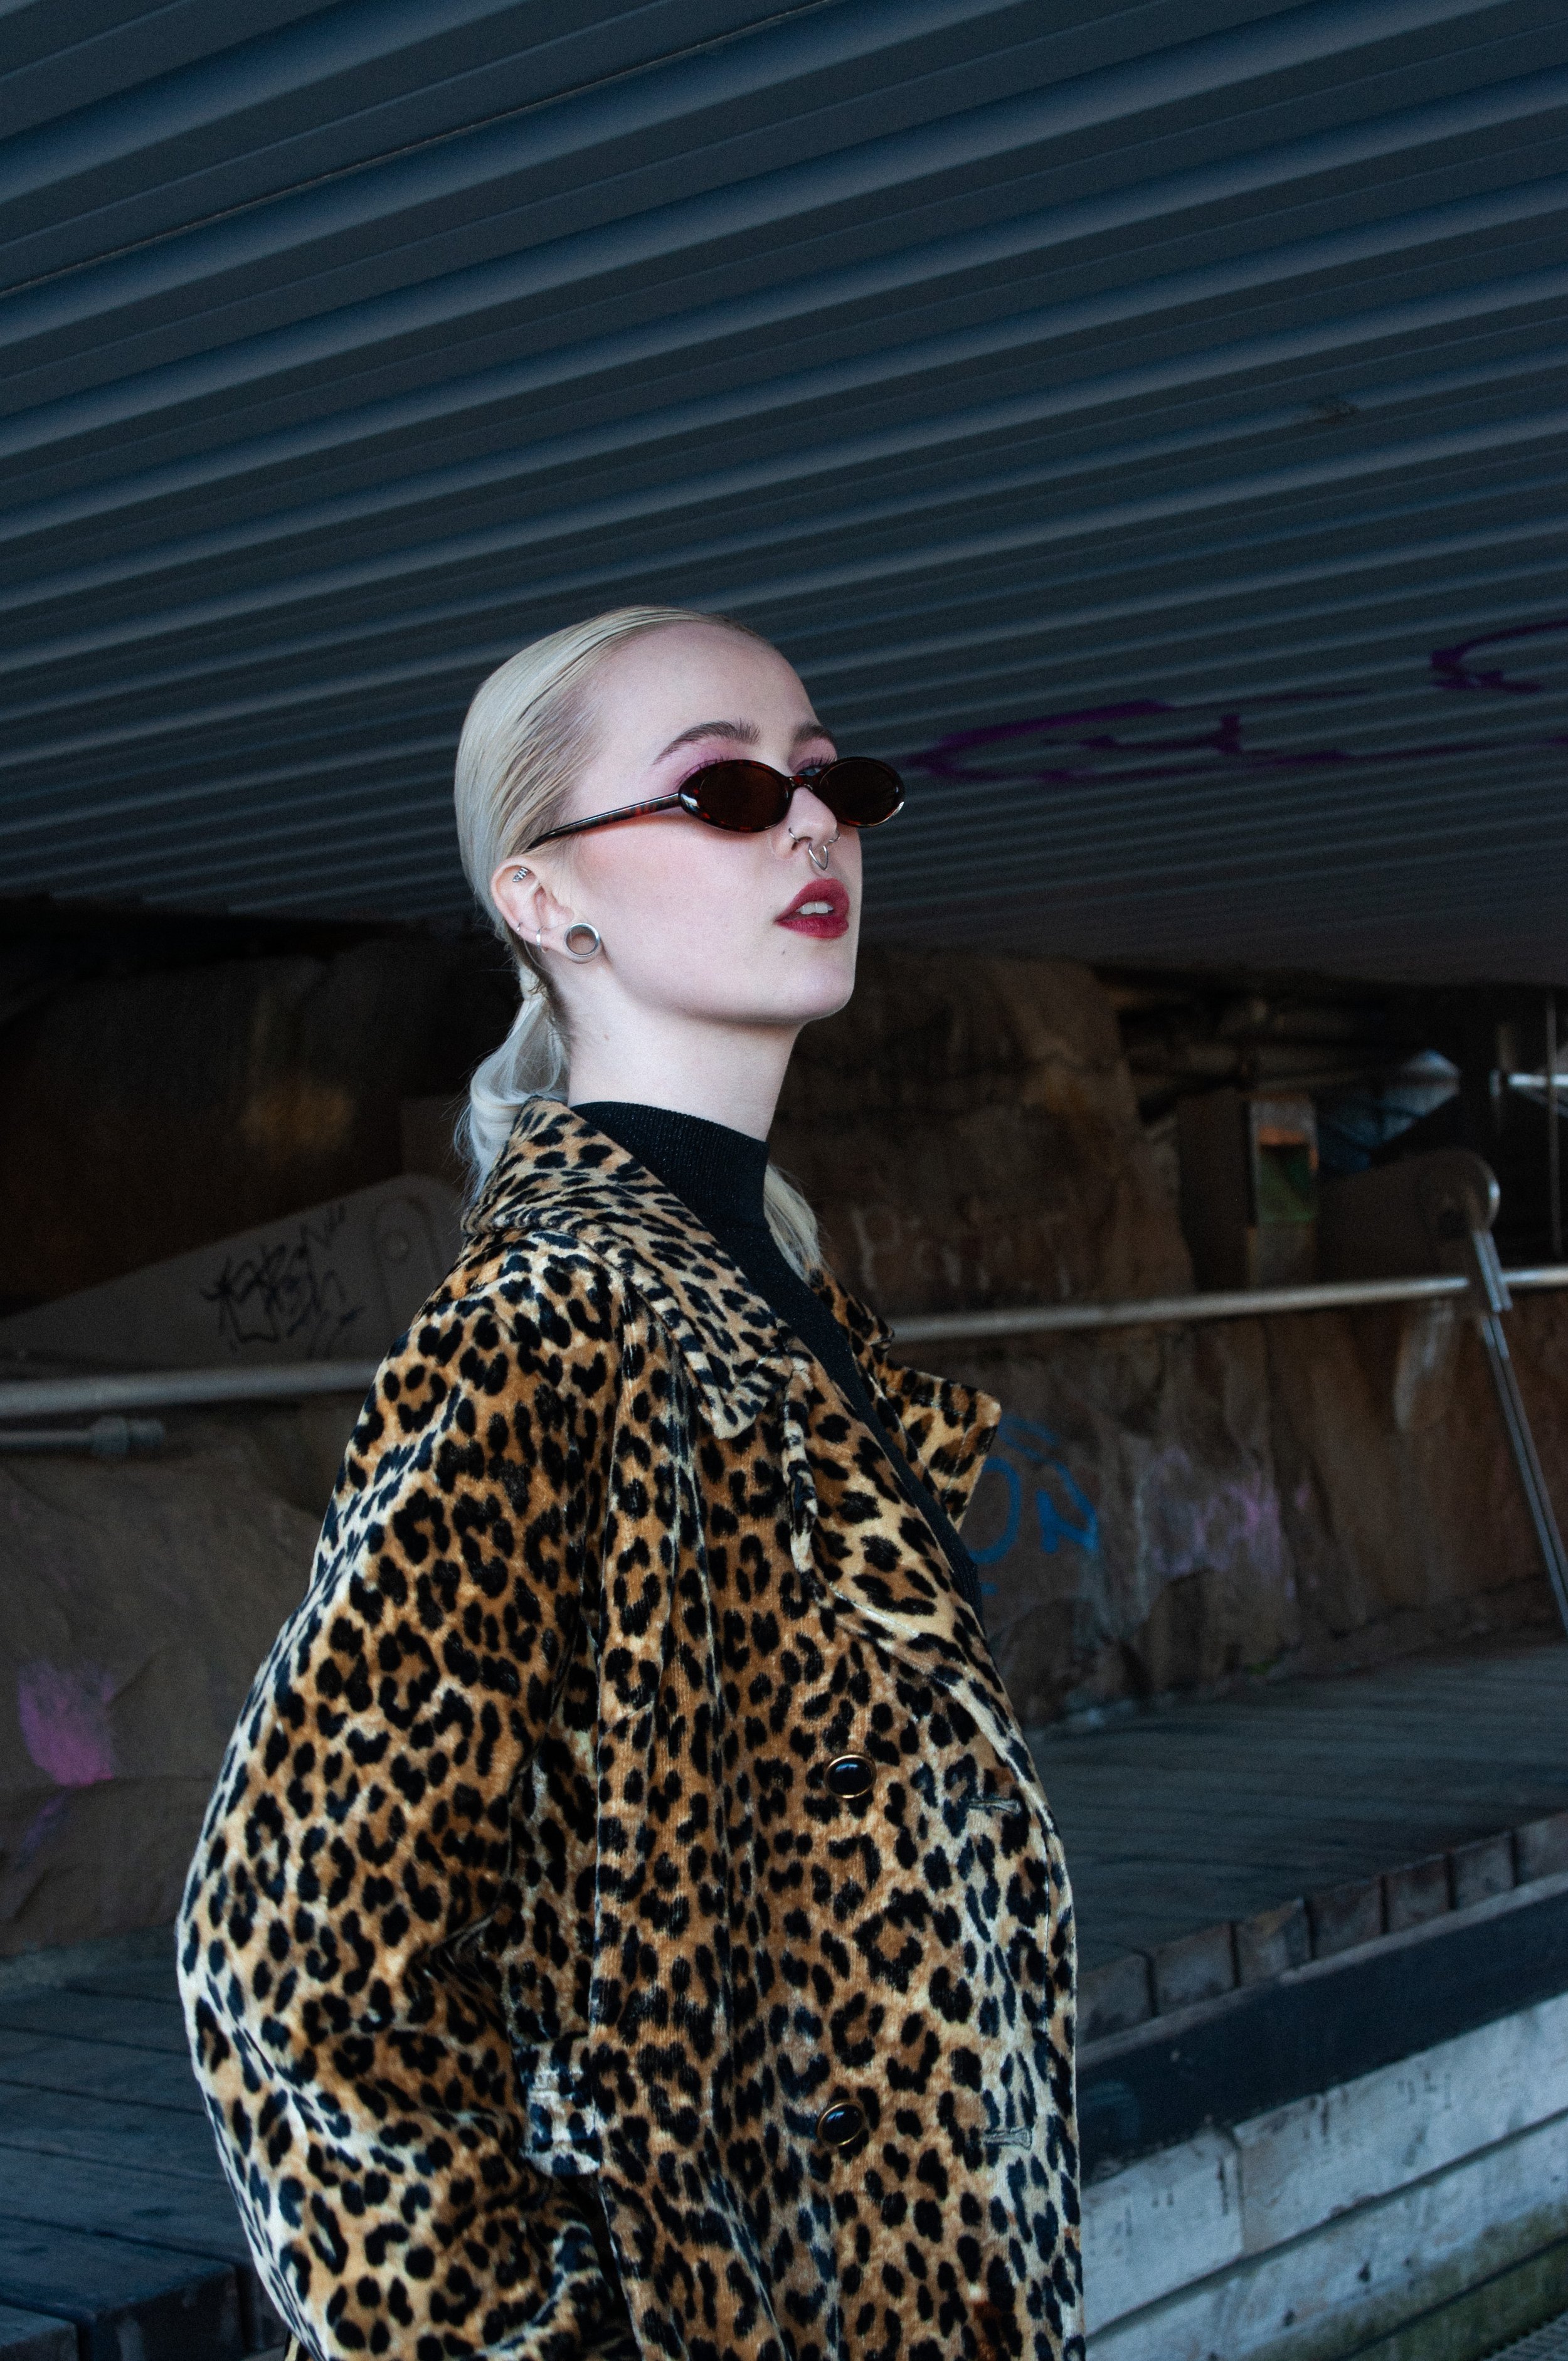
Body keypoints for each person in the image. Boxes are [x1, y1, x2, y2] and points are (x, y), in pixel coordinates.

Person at [179, 606, 1081, 2361]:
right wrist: (527, 2340)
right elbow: (285, 1951)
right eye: (727, 790)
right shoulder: (554, 1319)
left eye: (832, 783)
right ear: (544, 898)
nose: (811, 825)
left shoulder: (779, 1294)